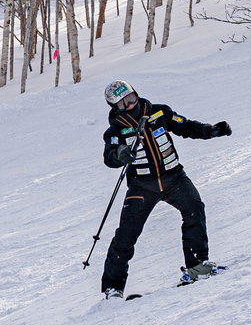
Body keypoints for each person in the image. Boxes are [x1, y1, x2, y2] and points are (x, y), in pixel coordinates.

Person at [99, 80, 232, 298]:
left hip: (173, 177)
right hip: (142, 185)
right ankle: (113, 289)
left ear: (136, 94)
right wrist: (120, 154)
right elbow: (110, 156)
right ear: (114, 107)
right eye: (122, 104)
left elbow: (187, 126)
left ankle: (197, 267)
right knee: (126, 235)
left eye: (131, 99)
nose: (130, 105)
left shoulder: (159, 112)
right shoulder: (115, 130)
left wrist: (212, 131)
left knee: (194, 209)